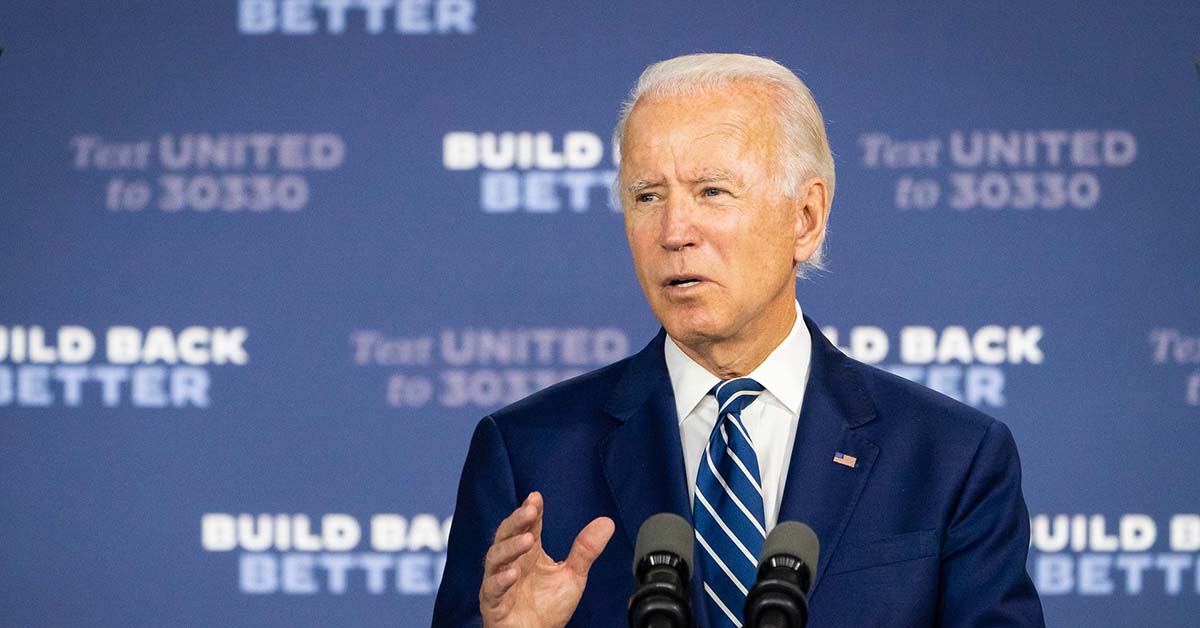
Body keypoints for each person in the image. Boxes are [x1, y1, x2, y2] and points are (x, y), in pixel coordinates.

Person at [431, 53, 1045, 628]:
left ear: (804, 219)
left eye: (711, 192)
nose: (673, 231)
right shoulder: (527, 455)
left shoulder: (951, 458)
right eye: (647, 196)